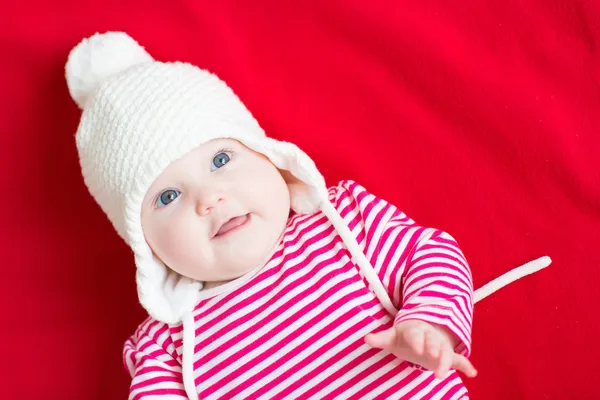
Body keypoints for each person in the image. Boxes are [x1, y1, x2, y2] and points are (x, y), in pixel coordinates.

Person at [65, 31, 550, 400]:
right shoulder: (167, 343)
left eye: (220, 161)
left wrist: (429, 322)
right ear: (144, 243)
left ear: (270, 158)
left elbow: (430, 252)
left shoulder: (345, 223)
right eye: (167, 197)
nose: (208, 199)